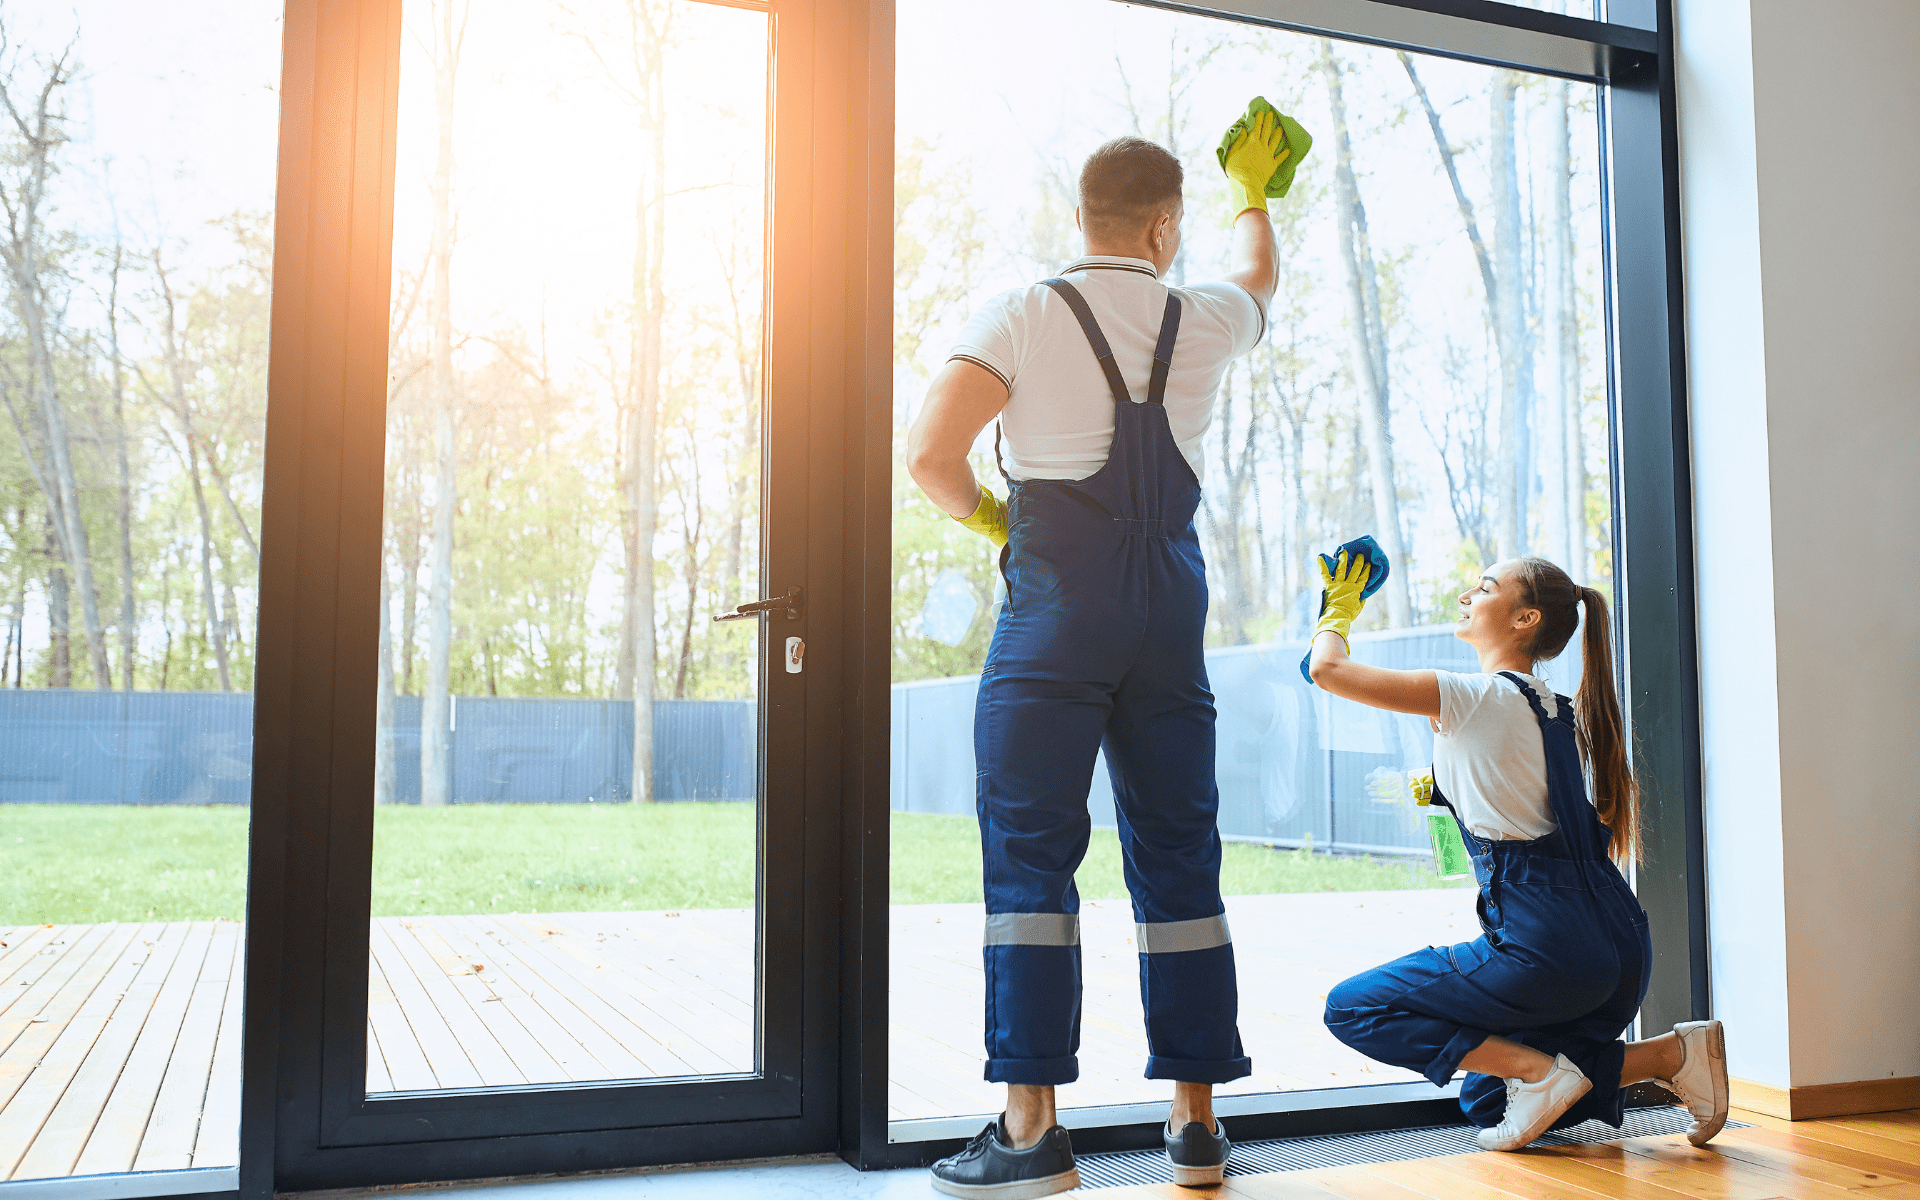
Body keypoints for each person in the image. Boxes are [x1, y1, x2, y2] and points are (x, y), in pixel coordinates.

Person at [906, 112, 1297, 1198]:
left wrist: (996, 519)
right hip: (1167, 618)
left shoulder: (1024, 313)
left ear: (1082, 219)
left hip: (1055, 618)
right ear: (1166, 228)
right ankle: (1196, 1125)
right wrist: (1254, 188)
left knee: (1033, 863)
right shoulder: (1207, 314)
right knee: (1180, 854)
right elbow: (1260, 273)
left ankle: (1032, 1137)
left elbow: (931, 457)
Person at [1304, 550, 1731, 1151]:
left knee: (1352, 1008)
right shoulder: (1553, 707)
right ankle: (1670, 1054)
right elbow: (1519, 795)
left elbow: (1327, 671)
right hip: (1617, 943)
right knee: (1485, 1096)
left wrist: (1337, 612)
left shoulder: (1474, 696)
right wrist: (1445, 791)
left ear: (1525, 618)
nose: (1466, 596)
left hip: (1547, 947)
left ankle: (1541, 1071)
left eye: (1482, 587)